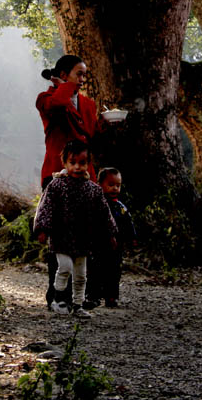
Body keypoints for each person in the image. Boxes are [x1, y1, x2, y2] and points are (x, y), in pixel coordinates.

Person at [36, 55, 100, 309]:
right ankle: (57, 296)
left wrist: (105, 125)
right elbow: (59, 102)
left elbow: (92, 136)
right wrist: (63, 85)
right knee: (58, 240)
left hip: (85, 178)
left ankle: (82, 295)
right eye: (79, 74)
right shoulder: (46, 98)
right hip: (56, 176)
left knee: (86, 237)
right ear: (63, 74)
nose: (83, 80)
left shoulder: (87, 103)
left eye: (85, 75)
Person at [34, 140, 117, 318]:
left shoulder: (93, 190)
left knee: (81, 275)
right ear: (65, 163)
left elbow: (104, 213)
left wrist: (110, 233)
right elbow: (45, 207)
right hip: (61, 238)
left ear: (88, 164)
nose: (77, 167)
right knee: (64, 267)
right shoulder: (56, 186)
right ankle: (58, 300)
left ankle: (78, 305)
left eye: (82, 163)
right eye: (73, 163)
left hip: (84, 239)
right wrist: (42, 229)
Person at [87, 167, 136, 308]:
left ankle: (112, 297)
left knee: (113, 272)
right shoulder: (96, 205)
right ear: (100, 184)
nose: (115, 188)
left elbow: (128, 223)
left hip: (116, 248)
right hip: (97, 245)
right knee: (94, 271)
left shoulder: (120, 207)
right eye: (111, 185)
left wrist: (132, 237)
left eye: (118, 185)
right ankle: (93, 296)